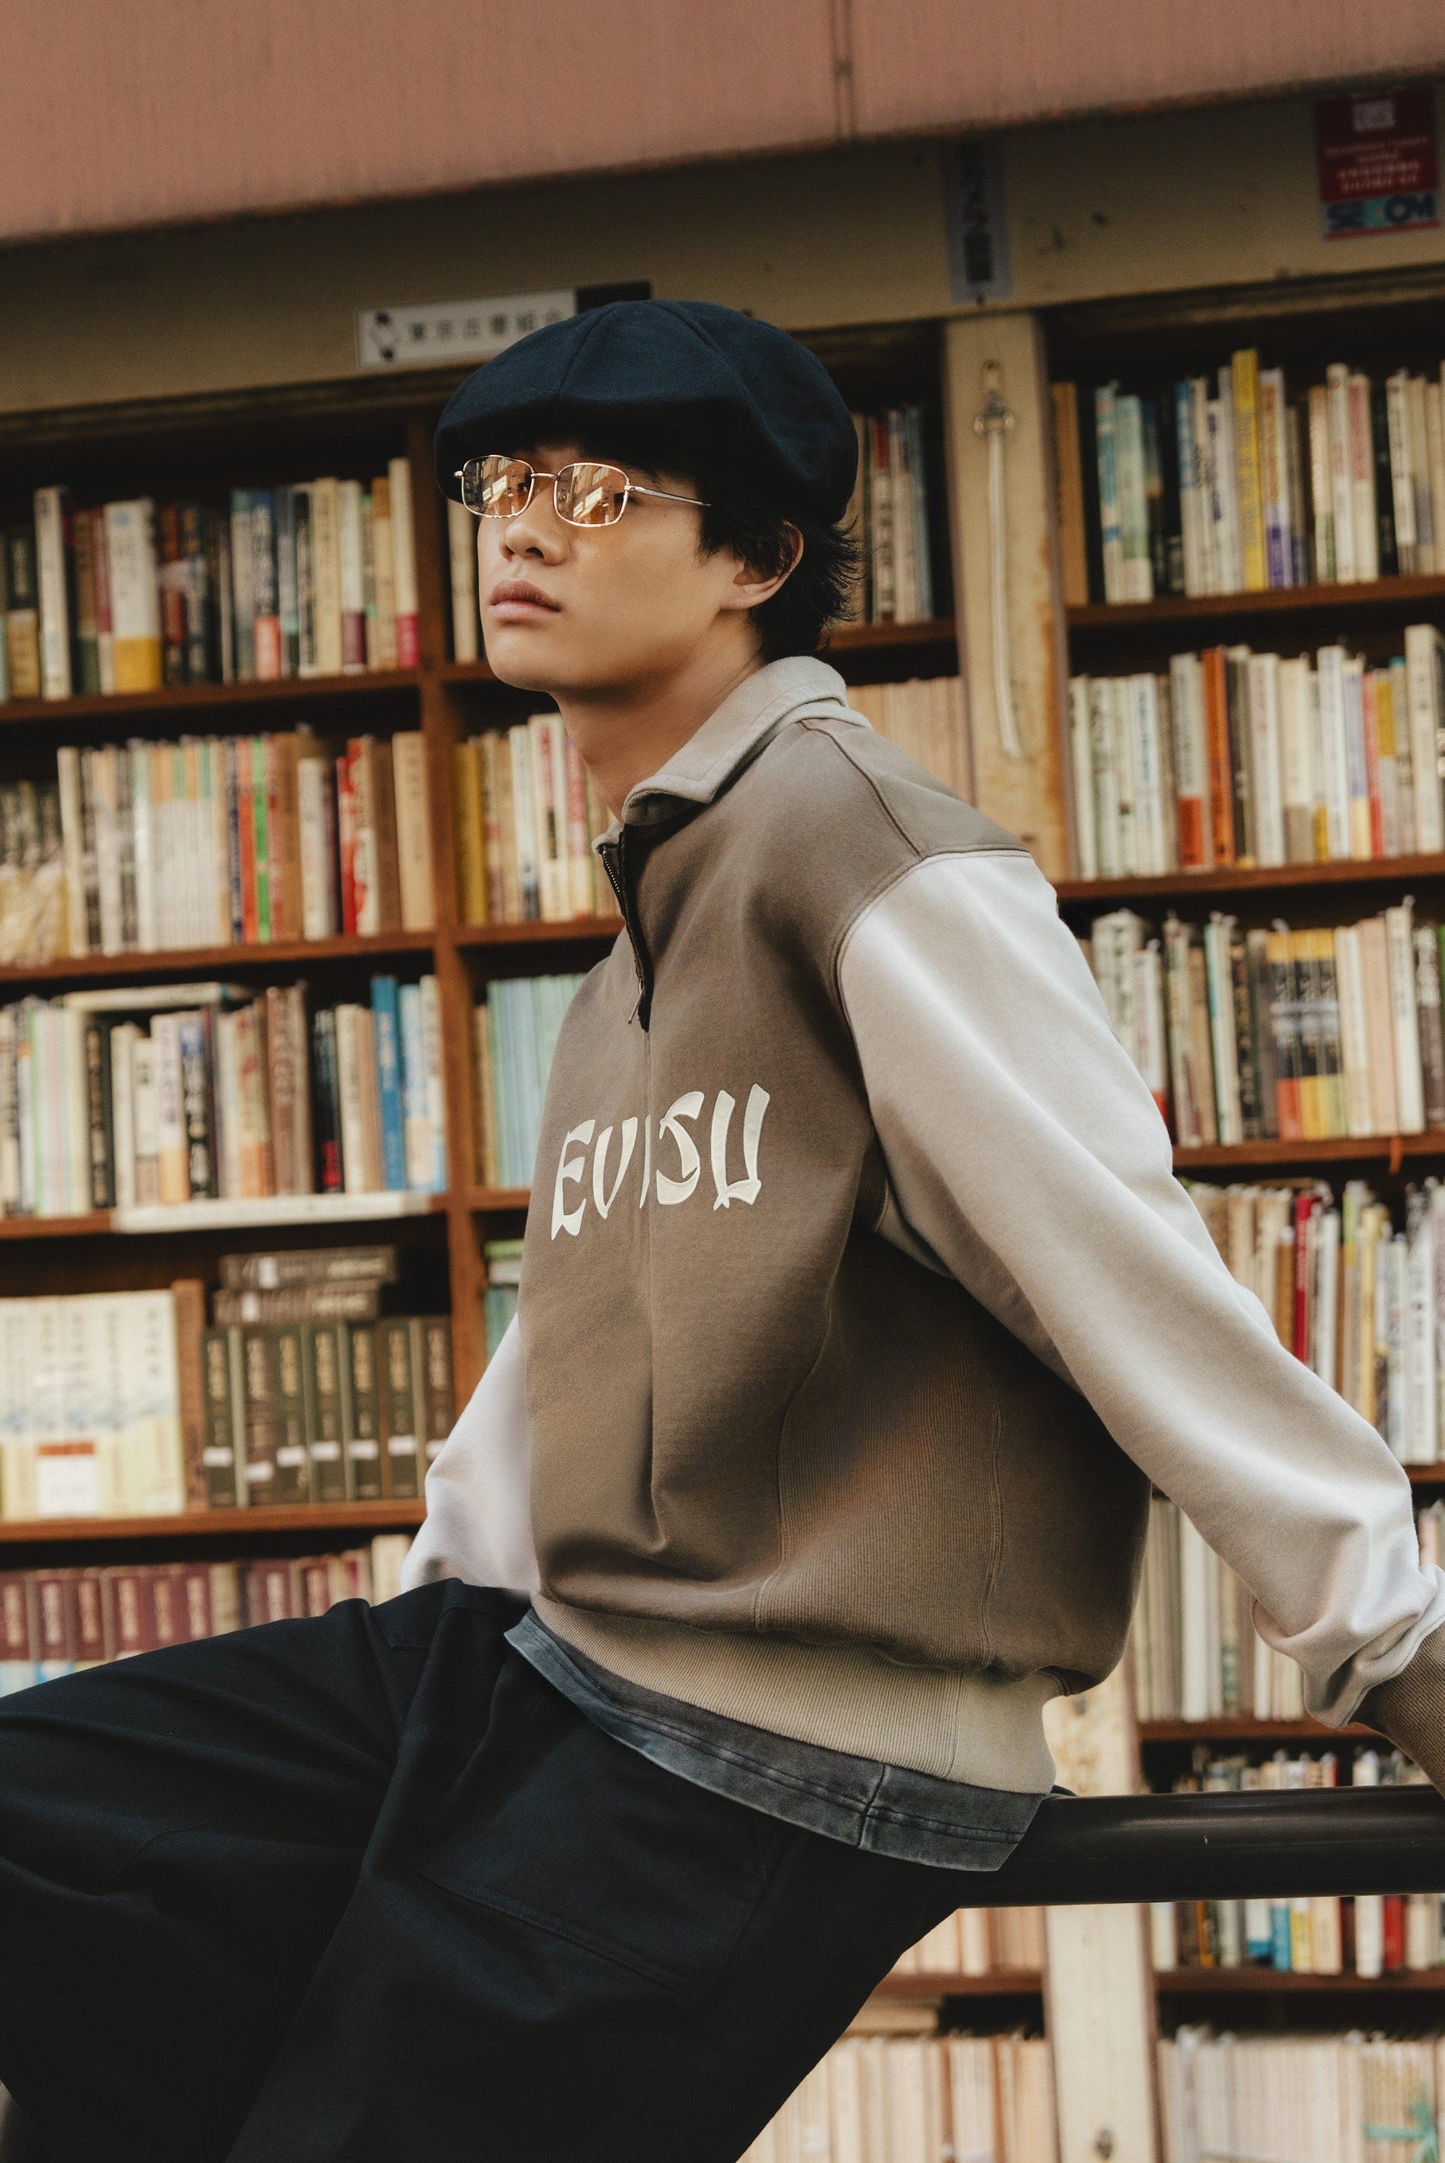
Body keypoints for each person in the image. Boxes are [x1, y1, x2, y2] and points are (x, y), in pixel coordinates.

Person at [0, 298, 1442, 2163]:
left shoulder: (863, 853)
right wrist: (445, 1602)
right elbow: (582, 1330)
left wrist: (1394, 1653)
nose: (523, 530)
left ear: (757, 559)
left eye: (599, 492)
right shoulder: (657, 901)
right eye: (501, 487)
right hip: (531, 1669)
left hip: (779, 1752)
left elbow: (1124, 1273)